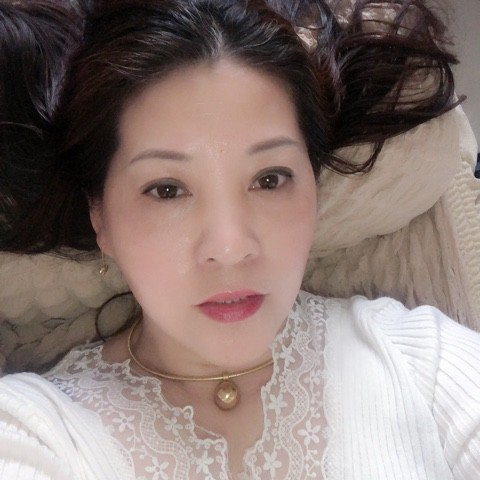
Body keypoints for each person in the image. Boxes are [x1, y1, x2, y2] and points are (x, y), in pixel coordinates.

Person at [0, 0, 479, 478]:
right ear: (100, 215)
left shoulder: (423, 366)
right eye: (167, 190)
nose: (230, 248)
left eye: (270, 180)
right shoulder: (34, 431)